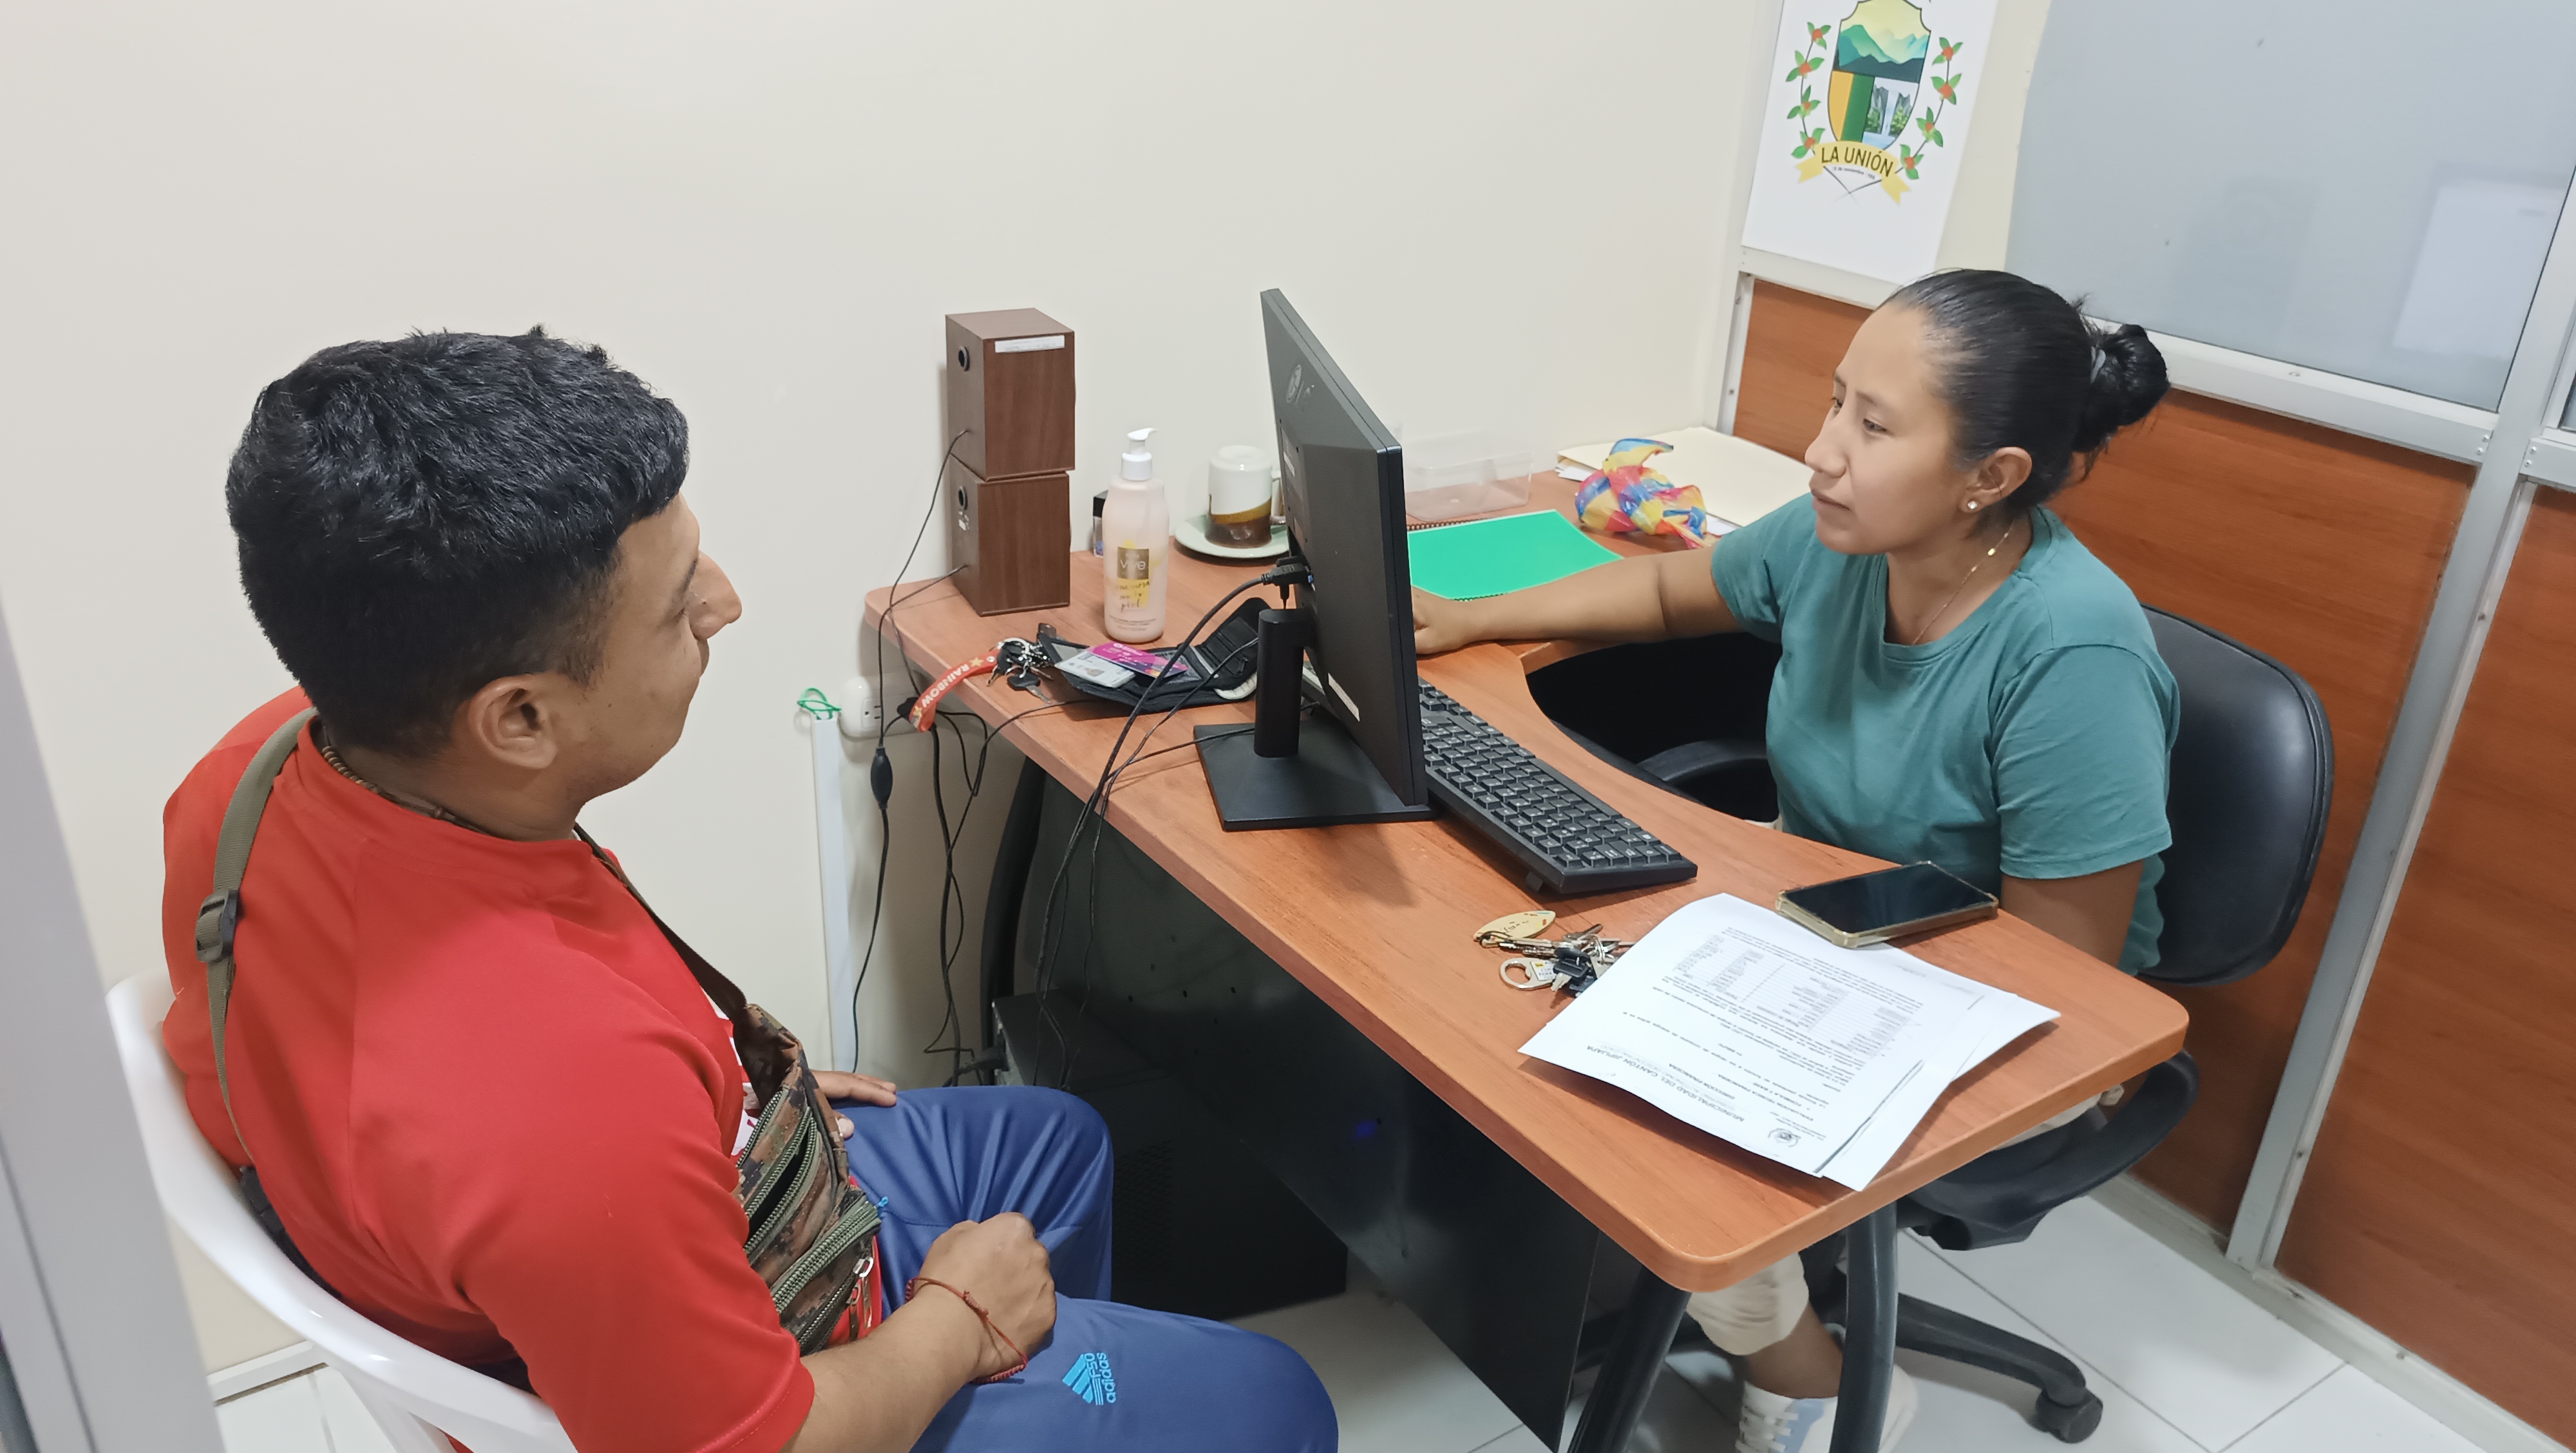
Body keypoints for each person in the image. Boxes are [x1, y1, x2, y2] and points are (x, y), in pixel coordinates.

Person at [159, 329, 1335, 1453]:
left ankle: (1049, 1391)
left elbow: (282, 1091)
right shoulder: (565, 1110)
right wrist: (957, 1325)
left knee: (1056, 1143)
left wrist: (716, 1096)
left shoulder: (259, 772)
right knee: (1276, 1402)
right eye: (678, 604)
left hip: (622, 1210)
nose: (724, 604)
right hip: (719, 1378)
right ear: (518, 719)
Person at [1413, 269, 2177, 1453]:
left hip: (2007, 1004)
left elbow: (2065, 969)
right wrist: (1476, 618)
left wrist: (1788, 969)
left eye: (1873, 426)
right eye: (1835, 403)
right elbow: (1669, 587)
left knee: (1679, 1116)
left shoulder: (2075, 651)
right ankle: (1717, 1279)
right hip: (1819, 916)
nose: (1823, 452)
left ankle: (1809, 1377)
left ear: (1991, 477)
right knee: (1535, 976)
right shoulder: (1848, 540)